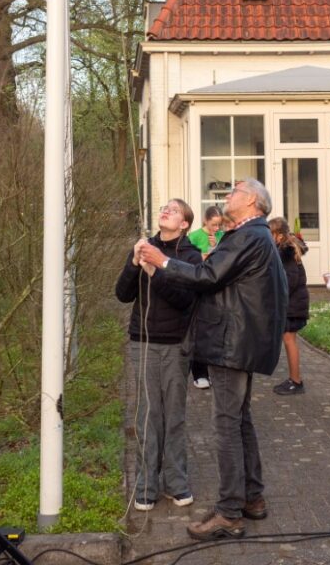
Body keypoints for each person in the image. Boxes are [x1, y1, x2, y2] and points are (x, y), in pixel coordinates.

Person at [139, 179, 287, 541]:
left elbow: (206, 276)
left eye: (233, 192)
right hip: (241, 342)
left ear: (251, 201)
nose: (226, 198)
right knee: (240, 421)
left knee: (226, 426)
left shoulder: (249, 236)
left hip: (231, 344)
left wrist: (163, 262)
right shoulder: (255, 236)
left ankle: (229, 512)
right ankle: (252, 498)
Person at [115, 199, 202, 512]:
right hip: (142, 342)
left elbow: (184, 300)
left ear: (184, 224)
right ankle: (146, 485)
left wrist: (156, 270)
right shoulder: (143, 247)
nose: (166, 210)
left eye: (175, 210)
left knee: (174, 416)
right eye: (165, 207)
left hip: (176, 344)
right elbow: (122, 294)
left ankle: (177, 483)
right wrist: (134, 265)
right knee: (147, 415)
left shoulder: (190, 256)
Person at [187, 205, 228, 389]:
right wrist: (206, 254)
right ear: (205, 221)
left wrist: (215, 247)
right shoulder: (194, 237)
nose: (217, 229)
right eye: (214, 224)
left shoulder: (222, 237)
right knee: (198, 330)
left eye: (219, 225)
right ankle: (199, 373)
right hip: (198, 288)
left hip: (216, 289)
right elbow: (188, 261)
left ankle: (216, 370)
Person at [269, 217, 309, 395]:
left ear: (278, 235)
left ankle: (296, 381)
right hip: (292, 303)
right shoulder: (285, 250)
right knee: (288, 340)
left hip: (292, 305)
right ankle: (294, 379)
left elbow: (289, 281)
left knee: (289, 340)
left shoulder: (286, 253)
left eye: (270, 235)